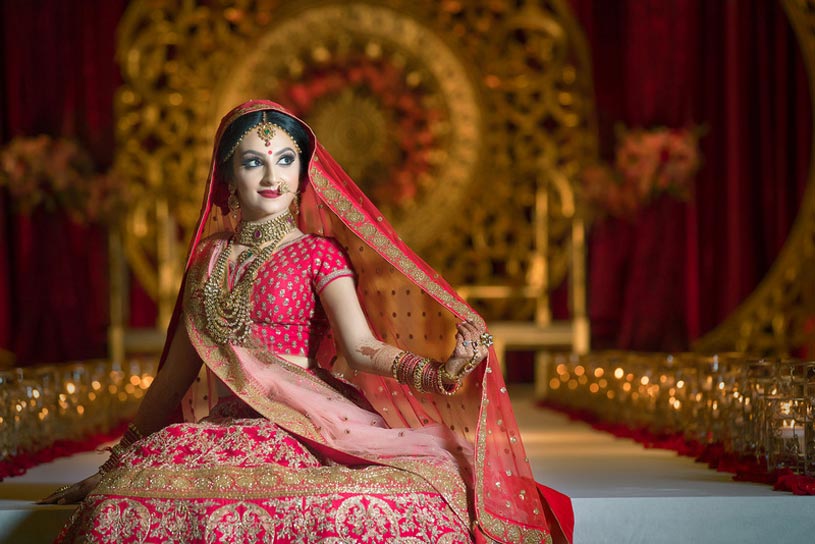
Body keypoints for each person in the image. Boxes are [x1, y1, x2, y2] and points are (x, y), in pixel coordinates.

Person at [40, 100, 573, 543]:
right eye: (253, 162)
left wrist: (442, 372)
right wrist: (112, 467)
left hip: (310, 425)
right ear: (226, 174)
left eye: (286, 159)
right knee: (115, 509)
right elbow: (172, 380)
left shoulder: (319, 255)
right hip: (226, 428)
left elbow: (362, 349)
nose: (273, 176)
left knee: (378, 509)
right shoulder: (208, 260)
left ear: (303, 170)